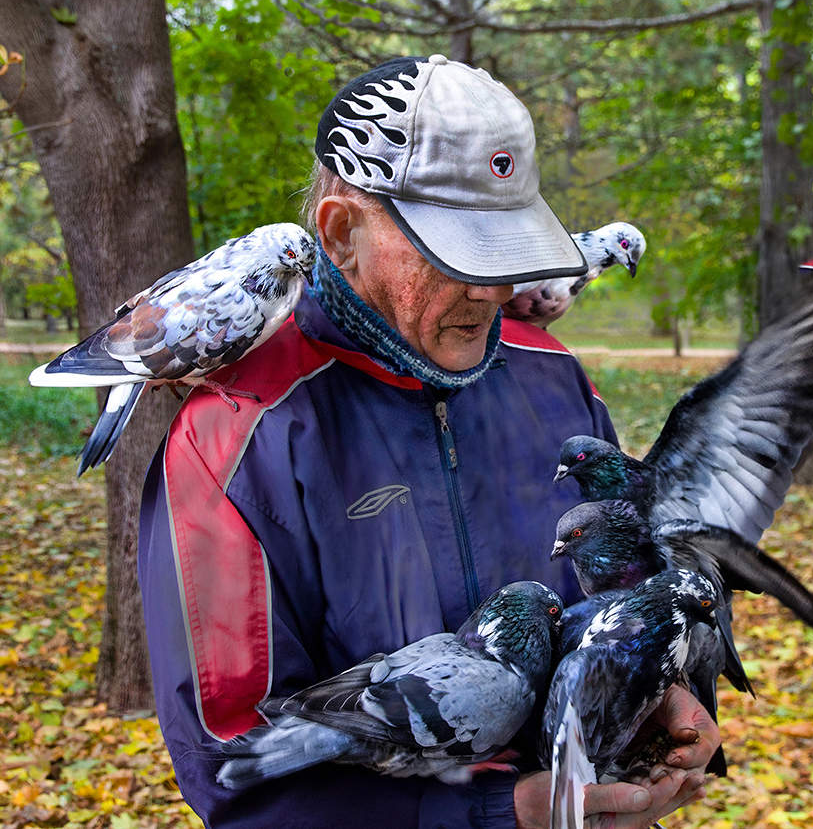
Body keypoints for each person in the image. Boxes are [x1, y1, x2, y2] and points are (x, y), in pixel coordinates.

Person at [137, 54, 719, 828]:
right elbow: (235, 770)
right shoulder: (236, 437)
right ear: (342, 232)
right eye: (456, 255)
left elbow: (612, 594)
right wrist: (495, 814)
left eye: (506, 251)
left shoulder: (555, 378)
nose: (491, 291)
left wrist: (654, 685)